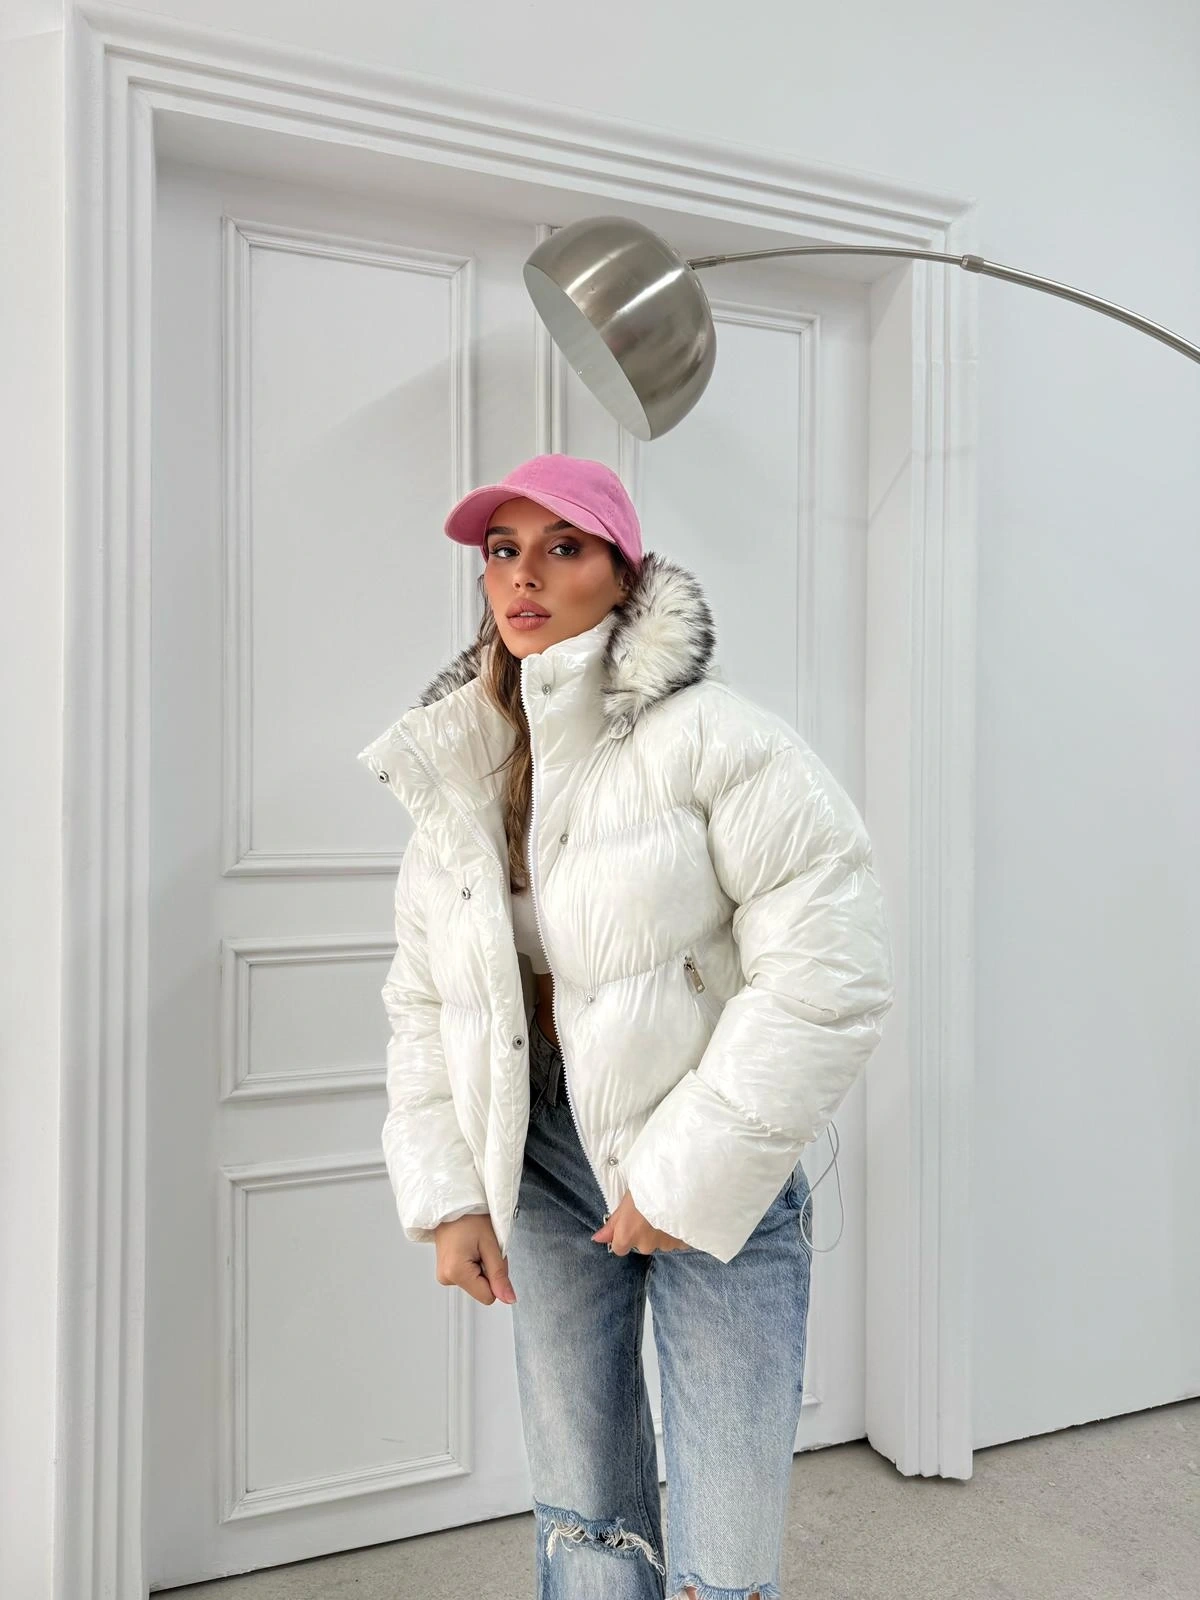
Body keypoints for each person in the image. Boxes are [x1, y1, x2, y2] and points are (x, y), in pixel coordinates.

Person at [358, 453, 895, 1600]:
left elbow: (831, 970)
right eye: (503, 550)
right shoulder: (464, 761)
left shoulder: (719, 738)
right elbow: (426, 995)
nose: (525, 576)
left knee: (723, 1551)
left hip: (714, 1160)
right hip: (543, 1153)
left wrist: (683, 1172)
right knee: (584, 1512)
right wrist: (450, 1191)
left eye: (563, 547)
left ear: (625, 572)